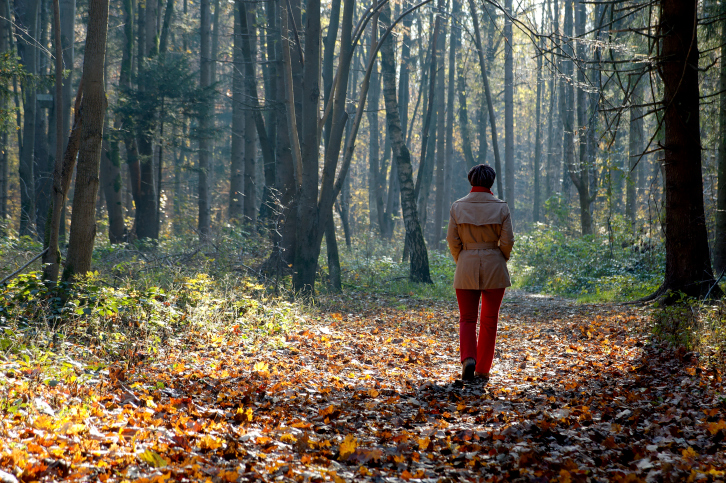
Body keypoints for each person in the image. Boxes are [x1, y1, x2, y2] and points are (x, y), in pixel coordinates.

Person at [446, 164, 514, 382]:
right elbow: (508, 241)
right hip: (494, 262)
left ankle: (468, 358)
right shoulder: (501, 207)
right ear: (491, 182)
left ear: (471, 181)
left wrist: (462, 259)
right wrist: (500, 257)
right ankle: (483, 369)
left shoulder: (457, 206)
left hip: (466, 263)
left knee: (467, 318)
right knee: (489, 319)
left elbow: (452, 240)